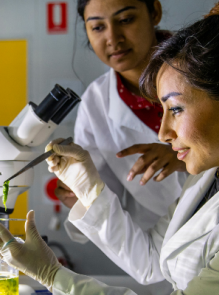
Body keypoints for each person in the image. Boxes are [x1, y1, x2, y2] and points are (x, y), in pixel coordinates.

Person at [0, 0, 219, 293]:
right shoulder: (208, 178)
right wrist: (89, 189)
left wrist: (54, 276)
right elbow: (152, 260)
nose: (162, 134)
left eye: (174, 110)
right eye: (97, 27)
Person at [60, 0, 187, 257]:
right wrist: (80, 195)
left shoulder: (205, 65)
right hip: (161, 249)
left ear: (155, 12)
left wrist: (185, 157)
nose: (113, 38)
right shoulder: (95, 104)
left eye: (126, 20)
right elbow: (107, 196)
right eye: (97, 27)